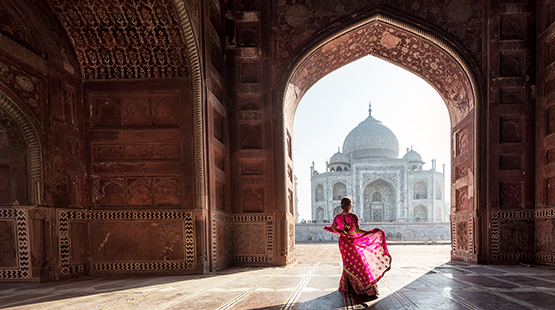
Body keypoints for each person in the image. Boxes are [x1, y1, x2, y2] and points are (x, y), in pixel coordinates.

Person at [324, 196, 391, 297]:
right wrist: (370, 233)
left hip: (343, 242)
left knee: (348, 264)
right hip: (351, 241)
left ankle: (347, 286)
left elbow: (333, 228)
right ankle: (363, 286)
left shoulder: (337, 217)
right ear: (350, 205)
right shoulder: (353, 216)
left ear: (341, 206)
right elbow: (357, 230)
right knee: (358, 262)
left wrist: (342, 233)